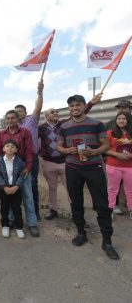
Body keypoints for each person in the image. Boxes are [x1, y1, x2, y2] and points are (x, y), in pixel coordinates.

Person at [57, 95, 119, 260]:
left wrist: (93, 152)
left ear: (84, 106)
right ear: (69, 108)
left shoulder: (97, 124)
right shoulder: (64, 126)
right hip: (72, 168)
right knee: (76, 201)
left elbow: (105, 145)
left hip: (94, 167)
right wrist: (66, 151)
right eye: (71, 106)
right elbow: (59, 146)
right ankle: (80, 232)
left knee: (101, 204)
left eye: (78, 105)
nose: (74, 108)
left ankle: (107, 241)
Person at [38, 94, 100, 220]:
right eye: (52, 112)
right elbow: (33, 139)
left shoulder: (63, 124)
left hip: (64, 162)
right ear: (46, 116)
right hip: (49, 162)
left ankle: (75, 212)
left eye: (56, 111)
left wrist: (91, 103)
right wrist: (40, 153)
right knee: (52, 188)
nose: (56, 112)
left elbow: (78, 113)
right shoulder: (41, 128)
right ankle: (53, 210)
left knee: (71, 188)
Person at [0, 110, 39, 237]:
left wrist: (28, 167)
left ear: (18, 119)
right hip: (6, 168)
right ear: (5, 120)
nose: (10, 120)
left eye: (13, 118)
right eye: (8, 118)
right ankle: (11, 220)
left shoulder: (25, 132)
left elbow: (29, 151)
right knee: (10, 195)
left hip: (22, 168)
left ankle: (32, 223)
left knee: (28, 195)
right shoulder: (2, 134)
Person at [14, 80, 43, 220]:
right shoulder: (14, 127)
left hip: (32, 158)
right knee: (17, 184)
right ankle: (17, 213)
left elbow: (38, 107)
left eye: (20, 111)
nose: (18, 113)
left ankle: (35, 213)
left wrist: (40, 92)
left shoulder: (32, 120)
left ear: (25, 112)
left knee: (33, 185)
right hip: (18, 159)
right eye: (16, 112)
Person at [105, 98, 132, 215]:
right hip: (113, 163)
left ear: (130, 109)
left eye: (124, 108)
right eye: (119, 108)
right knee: (113, 187)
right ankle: (113, 206)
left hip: (129, 165)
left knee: (129, 188)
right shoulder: (110, 124)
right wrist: (112, 156)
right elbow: (104, 145)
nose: (121, 110)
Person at [0, 139, 25, 239]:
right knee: (4, 208)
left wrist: (16, 186)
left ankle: (19, 228)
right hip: (4, 189)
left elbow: (22, 175)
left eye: (13, 147)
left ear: (16, 150)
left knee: (17, 208)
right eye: (7, 146)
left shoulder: (20, 162)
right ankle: (5, 226)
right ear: (4, 148)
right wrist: (4, 187)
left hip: (16, 189)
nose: (10, 148)